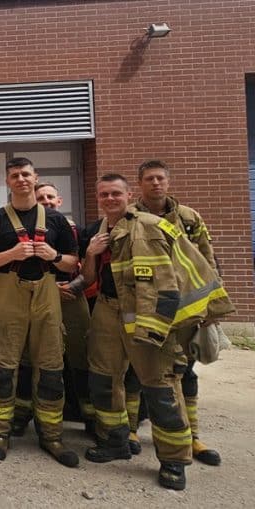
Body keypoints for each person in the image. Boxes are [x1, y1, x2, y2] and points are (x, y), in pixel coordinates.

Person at [79, 173, 232, 490]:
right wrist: (91, 252)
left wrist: (203, 315)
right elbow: (89, 277)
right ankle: (115, 442)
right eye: (104, 194)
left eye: (115, 194)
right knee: (104, 379)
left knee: (160, 387)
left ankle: (174, 461)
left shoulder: (154, 225)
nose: (109, 199)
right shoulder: (98, 230)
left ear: (128, 194)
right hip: (107, 311)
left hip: (148, 316)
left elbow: (193, 269)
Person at [0, 157, 80, 467]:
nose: (21, 179)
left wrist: (54, 255)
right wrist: (11, 254)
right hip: (8, 293)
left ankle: (52, 437)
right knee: (3, 367)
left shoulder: (58, 221)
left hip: (47, 292)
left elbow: (74, 263)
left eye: (26, 174)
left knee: (50, 368)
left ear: (36, 178)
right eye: (15, 175)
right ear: (8, 182)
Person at [130, 159, 221, 465]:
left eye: (160, 178)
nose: (155, 183)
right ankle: (131, 429)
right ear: (139, 183)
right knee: (139, 371)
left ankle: (193, 436)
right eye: (149, 179)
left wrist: (213, 306)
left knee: (186, 373)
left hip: (185, 310)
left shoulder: (189, 218)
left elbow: (208, 261)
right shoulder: (131, 218)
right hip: (147, 308)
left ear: (168, 182)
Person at [10, 183, 94, 437]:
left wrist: (74, 287)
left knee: (81, 358)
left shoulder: (76, 230)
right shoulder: (24, 229)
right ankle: (22, 415)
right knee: (29, 357)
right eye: (40, 198)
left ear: (59, 199)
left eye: (49, 197)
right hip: (35, 297)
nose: (45, 201)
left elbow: (87, 267)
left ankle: (88, 416)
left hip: (72, 297)